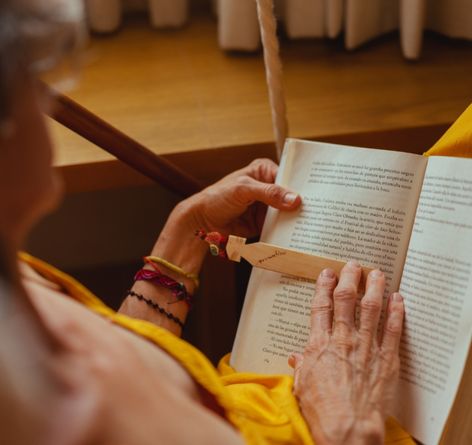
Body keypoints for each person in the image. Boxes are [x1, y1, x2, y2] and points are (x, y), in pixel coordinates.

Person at [0, 1, 427, 444]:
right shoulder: (35, 414)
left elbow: (136, 375)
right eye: (32, 82)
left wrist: (187, 231)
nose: (45, 101)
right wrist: (349, 428)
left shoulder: (18, 277)